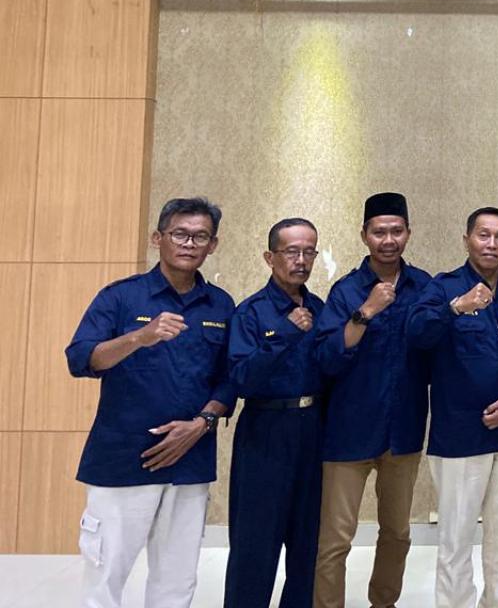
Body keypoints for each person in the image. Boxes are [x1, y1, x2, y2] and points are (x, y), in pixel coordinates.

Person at [64, 196, 235, 608]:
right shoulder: (121, 297)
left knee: (177, 580)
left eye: (200, 236)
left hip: (190, 461)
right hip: (123, 459)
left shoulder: (221, 305)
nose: (189, 244)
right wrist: (140, 337)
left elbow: (230, 379)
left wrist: (202, 423)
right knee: (105, 575)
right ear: (158, 238)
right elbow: (81, 359)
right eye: (179, 234)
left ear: (213, 245)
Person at [408, 206, 498, 608]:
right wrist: (456, 308)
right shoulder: (443, 287)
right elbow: (417, 335)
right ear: (466, 239)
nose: (491, 244)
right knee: (456, 540)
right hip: (459, 436)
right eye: (483, 235)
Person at [313, 192, 433, 608]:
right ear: (364, 235)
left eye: (396, 231)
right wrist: (366, 310)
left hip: (403, 429)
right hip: (348, 431)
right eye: (379, 232)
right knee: (335, 539)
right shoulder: (346, 290)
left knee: (397, 533)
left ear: (408, 233)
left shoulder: (425, 287)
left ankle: (384, 602)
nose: (388, 240)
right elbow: (328, 357)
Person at [224, 217, 328, 608]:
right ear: (270, 257)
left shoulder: (320, 309)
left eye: (309, 252)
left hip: (312, 431)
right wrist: (284, 334)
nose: (301, 261)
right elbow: (240, 379)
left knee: (308, 544)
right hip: (264, 431)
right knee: (255, 542)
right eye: (291, 252)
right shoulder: (250, 313)